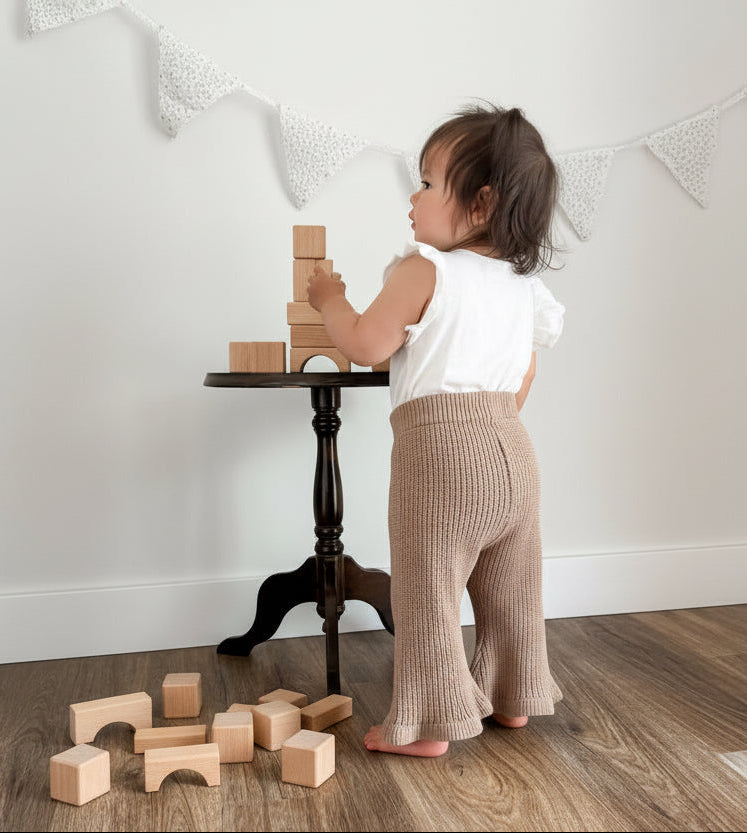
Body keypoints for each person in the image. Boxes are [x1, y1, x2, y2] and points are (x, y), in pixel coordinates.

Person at [307, 102, 566, 757]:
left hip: (440, 454)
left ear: (479, 204)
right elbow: (524, 373)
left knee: (426, 586)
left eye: (426, 183)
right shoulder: (520, 286)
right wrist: (493, 430)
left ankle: (428, 723)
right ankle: (514, 697)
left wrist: (330, 301)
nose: (412, 199)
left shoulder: (424, 269)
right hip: (513, 448)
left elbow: (366, 343)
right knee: (511, 587)